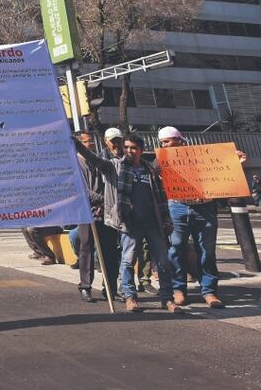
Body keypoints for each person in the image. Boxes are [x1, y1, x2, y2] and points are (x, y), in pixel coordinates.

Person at [74, 133, 181, 314]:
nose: (129, 151)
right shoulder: (114, 167)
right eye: (127, 147)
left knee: (163, 262)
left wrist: (166, 219)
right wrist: (75, 143)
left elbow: (161, 197)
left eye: (134, 148)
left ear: (140, 150)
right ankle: (130, 297)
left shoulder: (150, 170)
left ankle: (167, 299)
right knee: (128, 261)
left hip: (153, 224)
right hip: (130, 225)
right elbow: (92, 157)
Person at [159, 126, 241, 310]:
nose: (165, 145)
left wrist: (234, 162)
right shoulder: (162, 159)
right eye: (162, 143)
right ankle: (178, 289)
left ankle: (209, 290)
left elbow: (219, 172)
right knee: (176, 248)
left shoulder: (200, 156)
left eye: (168, 141)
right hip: (177, 206)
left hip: (204, 208)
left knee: (206, 250)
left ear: (179, 140)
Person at [73, 131, 120, 303]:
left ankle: (110, 288)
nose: (91, 144)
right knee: (86, 249)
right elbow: (81, 190)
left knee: (110, 251)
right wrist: (101, 201)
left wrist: (105, 204)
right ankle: (85, 287)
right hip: (87, 212)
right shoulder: (74, 165)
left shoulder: (100, 163)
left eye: (92, 141)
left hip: (106, 213)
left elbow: (109, 184)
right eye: (86, 141)